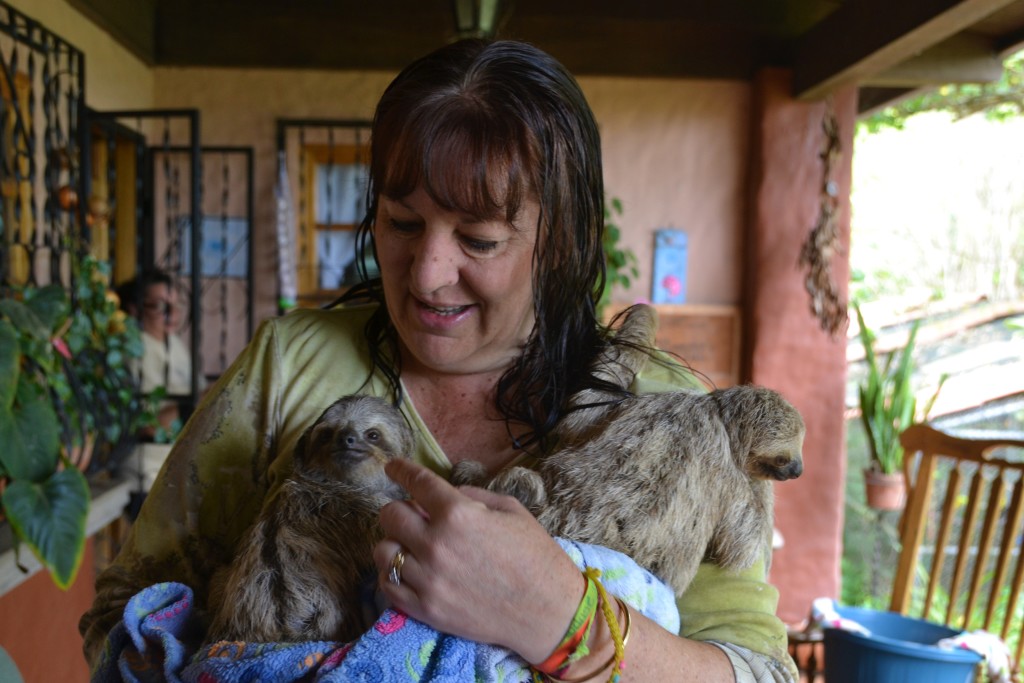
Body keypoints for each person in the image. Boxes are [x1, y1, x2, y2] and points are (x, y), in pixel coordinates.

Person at [80, 39, 798, 682]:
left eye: (479, 239)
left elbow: (762, 671)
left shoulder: (670, 416)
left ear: (561, 244)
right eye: (402, 222)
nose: (426, 272)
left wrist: (558, 615)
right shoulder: (288, 365)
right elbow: (125, 611)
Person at [116, 268, 206, 435]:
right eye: (160, 306)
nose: (173, 314)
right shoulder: (136, 349)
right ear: (135, 309)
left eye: (177, 305)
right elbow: (148, 426)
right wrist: (204, 400)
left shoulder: (172, 342)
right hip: (154, 454)